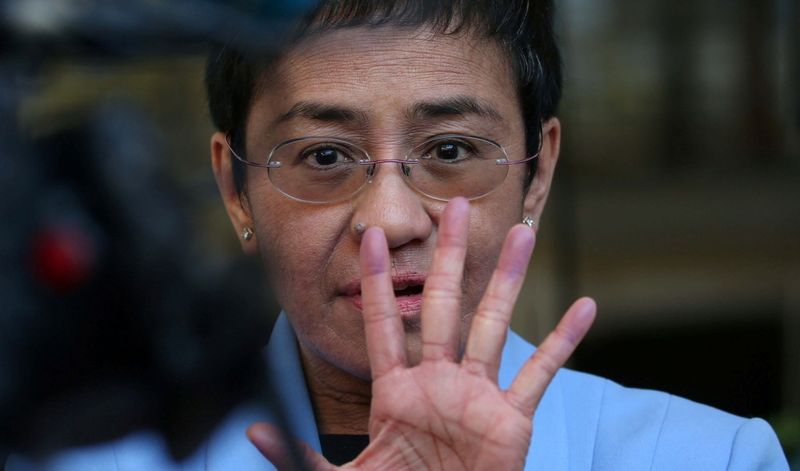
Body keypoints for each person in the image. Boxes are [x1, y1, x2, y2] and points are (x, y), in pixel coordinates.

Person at [6, 0, 790, 469]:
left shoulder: (705, 457)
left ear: (538, 171)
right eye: (324, 156)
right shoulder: (80, 460)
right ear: (235, 187)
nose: (390, 219)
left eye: (449, 150)